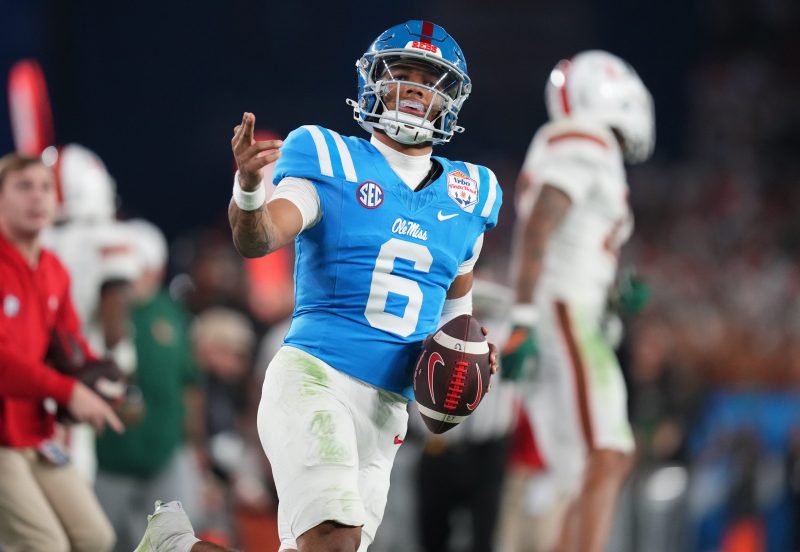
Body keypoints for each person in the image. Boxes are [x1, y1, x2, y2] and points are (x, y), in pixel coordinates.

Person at [136, 19, 502, 552]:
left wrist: (465, 374)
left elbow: (453, 331)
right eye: (402, 73)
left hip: (387, 414)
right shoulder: (330, 156)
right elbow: (258, 238)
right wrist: (249, 190)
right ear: (374, 83)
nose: (414, 89)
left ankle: (175, 547)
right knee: (334, 542)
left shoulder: (473, 193)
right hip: (316, 379)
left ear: (449, 100)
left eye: (429, 81)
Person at [500, 50, 655, 552]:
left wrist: (613, 297)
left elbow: (565, 236)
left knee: (585, 471)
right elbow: (539, 224)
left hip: (569, 310)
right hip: (563, 312)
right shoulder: (586, 138)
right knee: (608, 454)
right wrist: (523, 317)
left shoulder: (581, 143)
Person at [0, 152, 122, 551]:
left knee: (95, 537)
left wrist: (101, 377)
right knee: (44, 545)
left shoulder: (53, 268)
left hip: (35, 432)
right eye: (23, 187)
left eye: (45, 187)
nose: (37, 197)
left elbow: (71, 344)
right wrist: (69, 391)